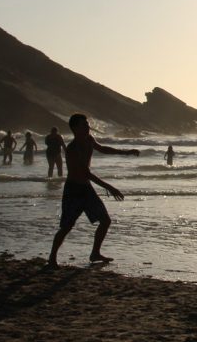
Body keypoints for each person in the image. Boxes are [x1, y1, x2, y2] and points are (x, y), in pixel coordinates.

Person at [47, 113, 140, 267]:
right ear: (75, 128)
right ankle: (52, 258)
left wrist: (126, 152)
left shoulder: (89, 140)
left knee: (105, 220)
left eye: (88, 124)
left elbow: (103, 149)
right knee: (67, 226)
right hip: (73, 190)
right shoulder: (72, 149)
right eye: (84, 125)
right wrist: (110, 187)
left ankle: (95, 253)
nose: (88, 127)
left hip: (86, 189)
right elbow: (86, 173)